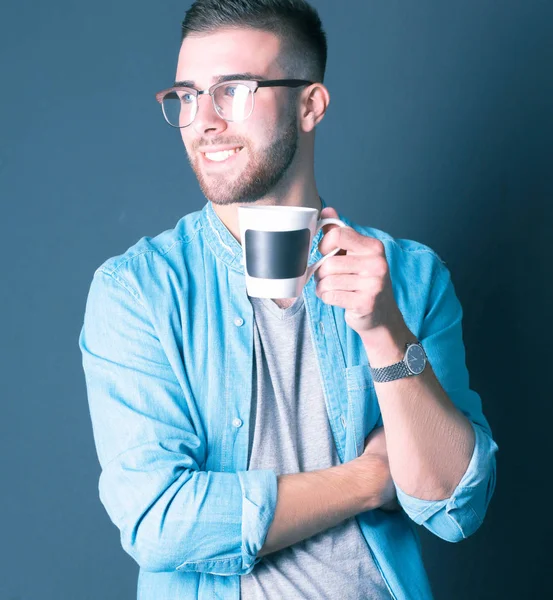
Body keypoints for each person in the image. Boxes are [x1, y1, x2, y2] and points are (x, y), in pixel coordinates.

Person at [78, 1, 499, 598]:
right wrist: (369, 479)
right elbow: (160, 521)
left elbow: (457, 507)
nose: (203, 121)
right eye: (189, 96)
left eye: (233, 91)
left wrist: (385, 332)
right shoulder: (139, 292)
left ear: (311, 105)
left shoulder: (410, 278)